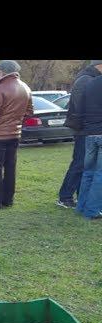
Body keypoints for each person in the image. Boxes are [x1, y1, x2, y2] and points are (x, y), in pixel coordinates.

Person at [0, 60, 33, 209]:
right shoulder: (25, 87)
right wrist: (16, 123)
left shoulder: (0, 88)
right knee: (10, 168)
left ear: (2, 71)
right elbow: (29, 112)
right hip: (15, 134)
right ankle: (8, 199)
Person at [57, 61, 102, 209]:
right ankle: (65, 196)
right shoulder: (86, 79)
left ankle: (80, 195)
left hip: (88, 127)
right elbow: (78, 105)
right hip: (84, 128)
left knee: (85, 164)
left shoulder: (89, 78)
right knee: (80, 163)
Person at [74, 73, 102, 220]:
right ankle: (92, 210)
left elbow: (81, 107)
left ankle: (82, 206)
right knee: (100, 174)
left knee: (88, 172)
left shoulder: (90, 83)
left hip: (89, 133)